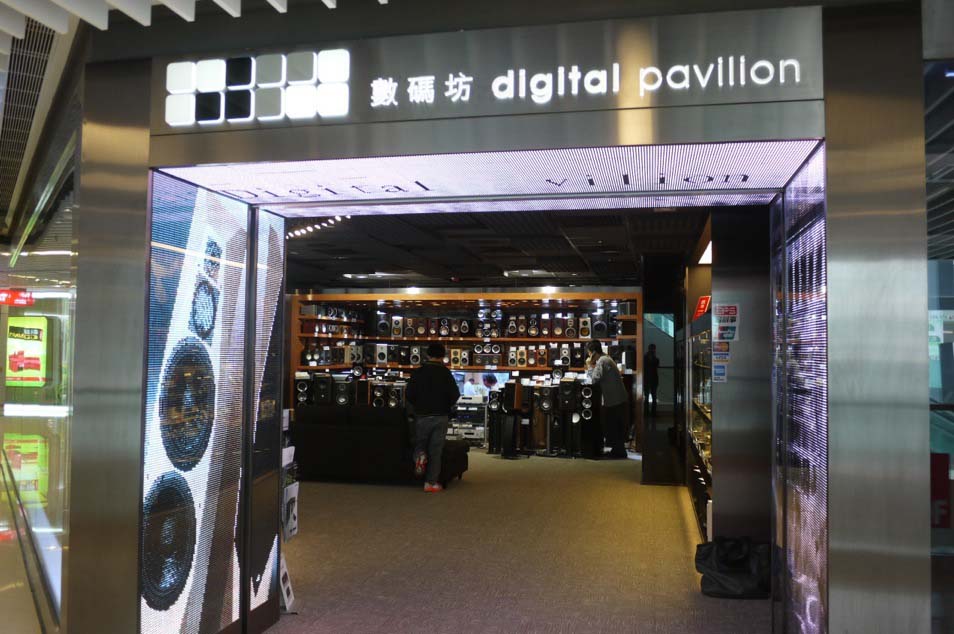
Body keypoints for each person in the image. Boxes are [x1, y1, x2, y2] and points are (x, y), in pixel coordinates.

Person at [406, 343, 461, 492]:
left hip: (422, 416)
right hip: (440, 416)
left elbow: (409, 394)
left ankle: (419, 457)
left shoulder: (418, 372)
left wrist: (418, 405)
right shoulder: (446, 373)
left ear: (427, 354)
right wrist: (446, 404)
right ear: (443, 356)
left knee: (420, 444)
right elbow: (455, 395)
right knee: (436, 450)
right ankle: (430, 483)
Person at [585, 340, 628, 459]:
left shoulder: (602, 361)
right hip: (617, 398)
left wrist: (589, 365)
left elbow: (594, 379)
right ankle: (618, 451)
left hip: (615, 400)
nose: (588, 355)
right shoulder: (606, 358)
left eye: (589, 353)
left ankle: (618, 453)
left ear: (593, 352)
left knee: (613, 426)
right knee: (615, 426)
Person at [644, 343, 660, 417]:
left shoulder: (645, 358)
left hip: (647, 379)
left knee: (648, 397)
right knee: (653, 397)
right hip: (652, 379)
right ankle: (652, 413)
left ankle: (647, 413)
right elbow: (656, 365)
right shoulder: (655, 359)